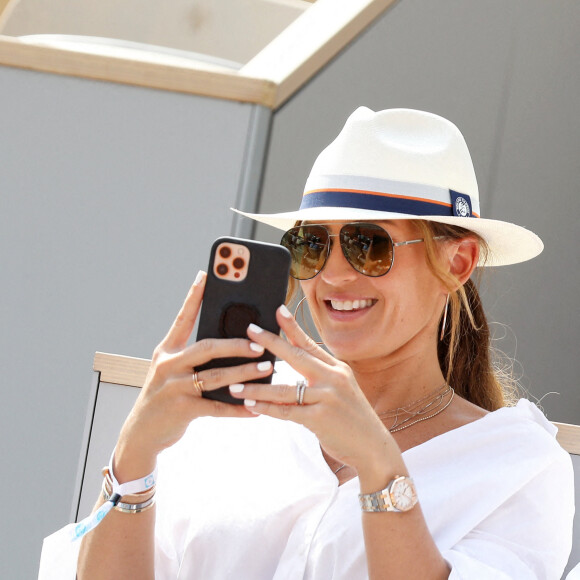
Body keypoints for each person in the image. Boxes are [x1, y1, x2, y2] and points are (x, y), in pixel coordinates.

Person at [40, 107, 574, 579]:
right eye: (312, 244)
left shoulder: (517, 466)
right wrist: (133, 458)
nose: (335, 275)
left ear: (456, 264)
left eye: (369, 245)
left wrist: (378, 465)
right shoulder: (225, 419)